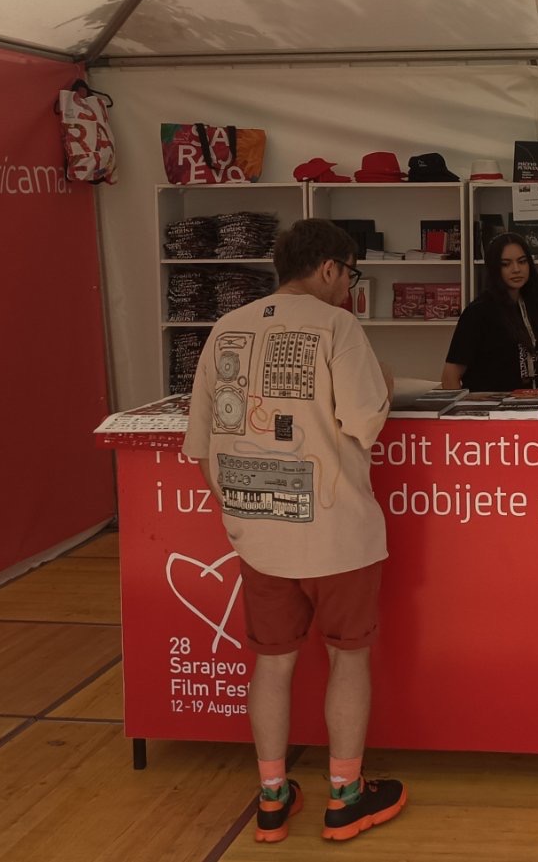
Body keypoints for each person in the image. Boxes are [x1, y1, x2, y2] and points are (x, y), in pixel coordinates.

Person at [183, 219, 406, 843]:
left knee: (272, 665)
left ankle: (273, 798)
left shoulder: (225, 330)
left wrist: (243, 514)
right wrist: (386, 385)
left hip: (260, 535)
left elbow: (202, 448)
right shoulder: (337, 326)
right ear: (330, 268)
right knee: (348, 658)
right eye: (351, 274)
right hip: (338, 533)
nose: (349, 286)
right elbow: (365, 421)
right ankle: (345, 797)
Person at [442, 232, 538, 391]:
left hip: (532, 401)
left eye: (522, 261)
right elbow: (449, 377)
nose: (516, 269)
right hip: (490, 404)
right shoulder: (479, 312)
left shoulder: (535, 305)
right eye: (506, 264)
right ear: (495, 269)